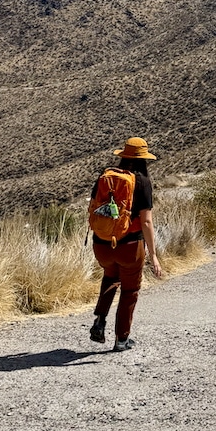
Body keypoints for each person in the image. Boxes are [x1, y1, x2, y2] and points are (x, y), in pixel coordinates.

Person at [89, 136, 162, 352]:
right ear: (143, 160)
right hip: (129, 246)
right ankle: (122, 339)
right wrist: (154, 254)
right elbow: (146, 221)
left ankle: (99, 320)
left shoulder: (106, 177)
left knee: (110, 277)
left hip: (101, 244)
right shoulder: (142, 182)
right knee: (130, 290)